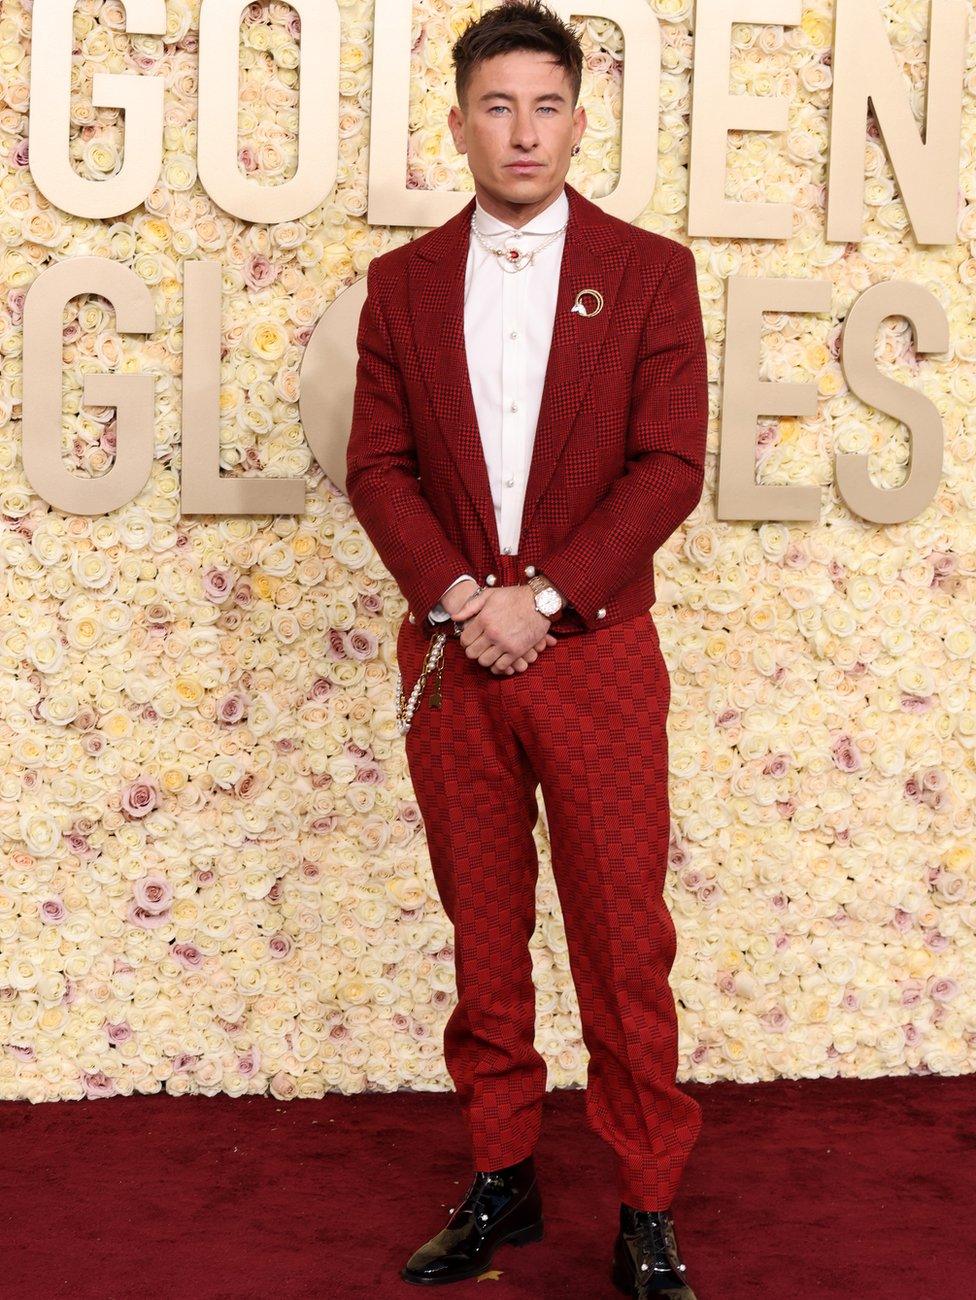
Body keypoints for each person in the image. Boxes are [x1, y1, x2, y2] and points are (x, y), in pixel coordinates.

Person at [345, 3, 708, 1295]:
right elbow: (376, 466)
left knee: (623, 942)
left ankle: (646, 1207)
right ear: (457, 123)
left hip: (595, 652)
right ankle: (502, 1181)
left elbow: (670, 466)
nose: (522, 131)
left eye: (545, 105)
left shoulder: (652, 270)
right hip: (455, 656)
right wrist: (456, 594)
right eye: (496, 107)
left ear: (577, 118)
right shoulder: (400, 286)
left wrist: (541, 600)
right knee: (483, 937)